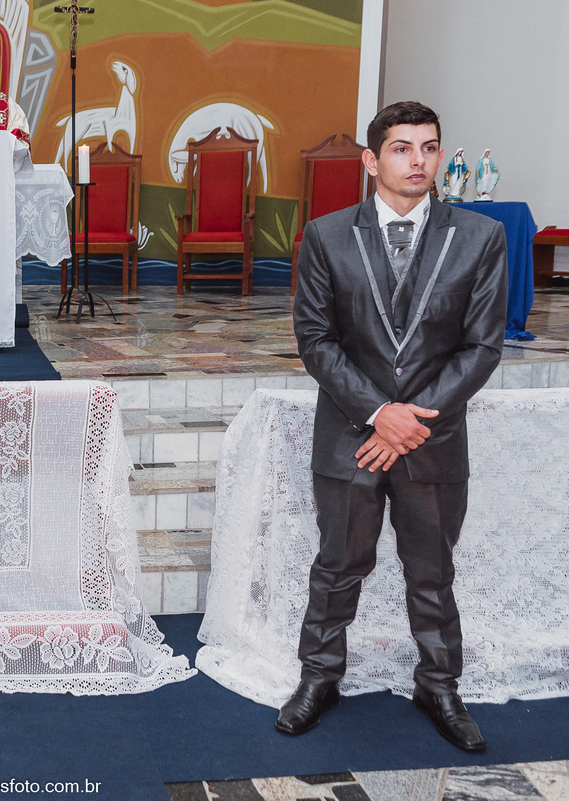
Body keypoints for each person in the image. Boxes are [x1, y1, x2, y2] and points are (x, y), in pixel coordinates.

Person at [285, 101, 507, 752]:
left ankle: (439, 685)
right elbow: (315, 339)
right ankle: (318, 678)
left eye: (429, 148)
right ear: (371, 159)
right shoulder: (327, 235)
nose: (419, 161)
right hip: (351, 435)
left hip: (433, 439)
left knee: (432, 570)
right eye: (403, 148)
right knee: (337, 565)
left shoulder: (480, 236)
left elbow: (482, 346)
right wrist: (380, 414)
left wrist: (412, 420)